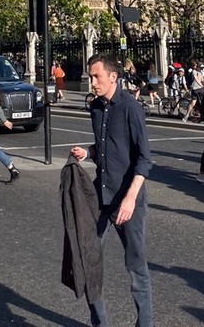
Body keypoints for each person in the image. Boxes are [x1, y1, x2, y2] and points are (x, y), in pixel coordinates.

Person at [71, 54, 153, 327]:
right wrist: (89, 151)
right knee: (87, 261)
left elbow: (143, 158)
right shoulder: (95, 107)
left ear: (113, 77)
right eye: (90, 77)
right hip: (101, 196)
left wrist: (130, 199)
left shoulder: (131, 107)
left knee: (136, 267)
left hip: (128, 198)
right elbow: (107, 148)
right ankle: (100, 323)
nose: (91, 82)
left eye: (96, 77)